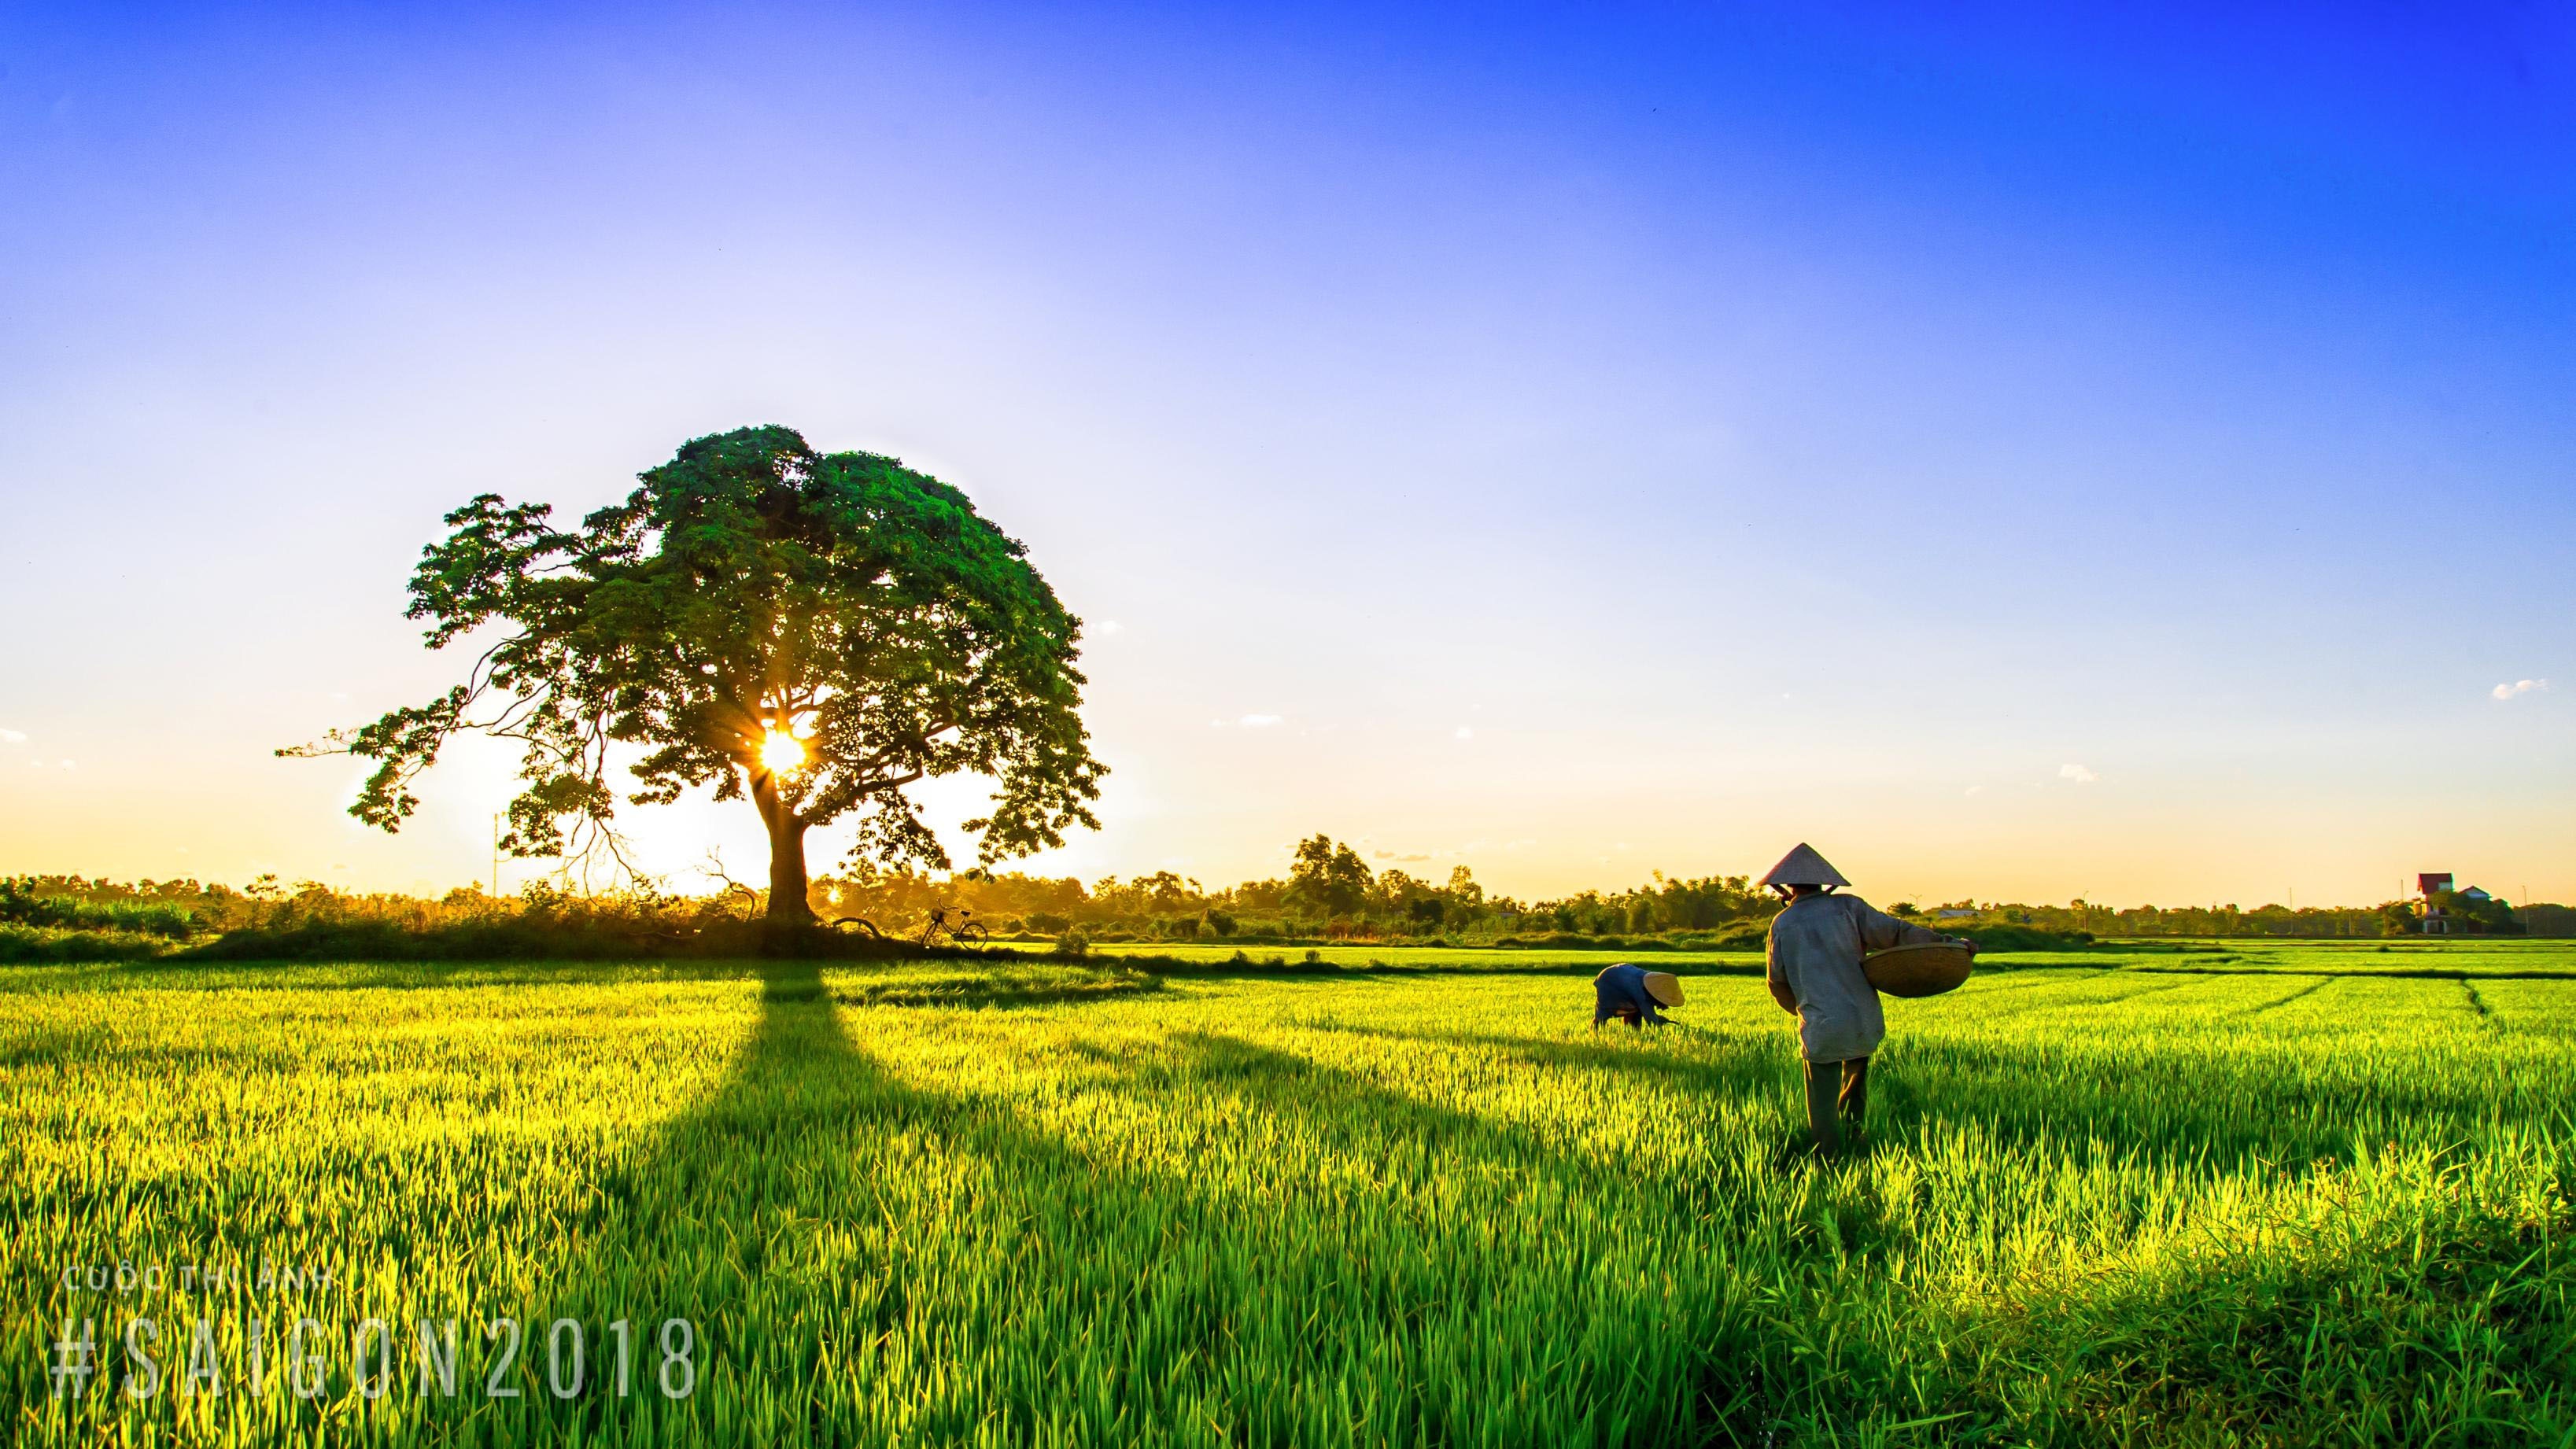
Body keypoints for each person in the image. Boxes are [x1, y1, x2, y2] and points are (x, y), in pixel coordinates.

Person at [1760, 842, 1971, 1155]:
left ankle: (1828, 1156)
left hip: (1821, 1023)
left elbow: (1777, 981)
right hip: (1862, 1018)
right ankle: (1855, 1138)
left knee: (1822, 1099)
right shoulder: (1849, 908)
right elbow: (1898, 933)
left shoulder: (1784, 923)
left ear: (1786, 888)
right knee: (1855, 1086)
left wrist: (1803, 1010)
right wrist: (1948, 943)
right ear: (1824, 884)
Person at [1592, 963, 1685, 1030]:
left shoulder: (1650, 985)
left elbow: (1649, 1013)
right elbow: (1651, 1019)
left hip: (1621, 976)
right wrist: (1662, 1035)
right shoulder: (1642, 994)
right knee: (1603, 1013)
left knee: (1636, 1011)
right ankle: (1594, 1032)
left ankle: (1632, 1033)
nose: (1666, 1007)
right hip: (1609, 979)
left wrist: (1660, 1019)